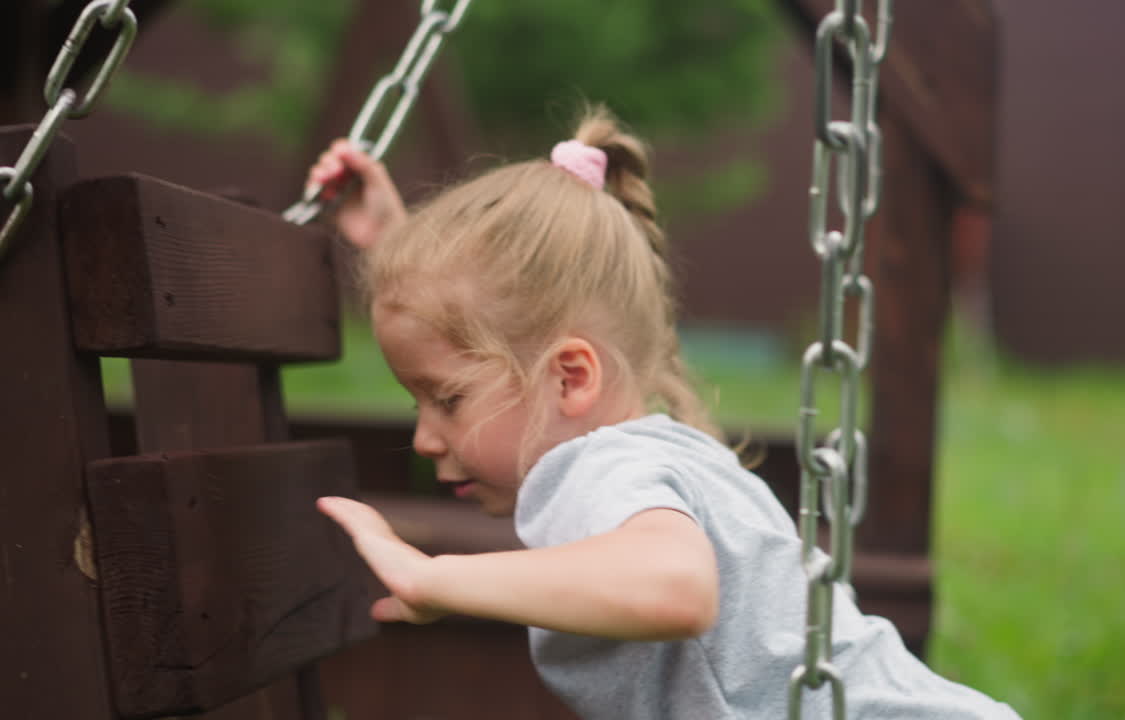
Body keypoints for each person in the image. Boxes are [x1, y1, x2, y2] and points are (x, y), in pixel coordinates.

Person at [311, 106, 1020, 719]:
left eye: (448, 399)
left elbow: (676, 589)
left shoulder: (598, 471)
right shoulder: (646, 449)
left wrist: (435, 577)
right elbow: (482, 328)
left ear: (571, 376)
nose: (424, 437)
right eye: (418, 400)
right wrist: (396, 238)